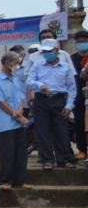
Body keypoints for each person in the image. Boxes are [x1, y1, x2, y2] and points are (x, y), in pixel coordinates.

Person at [27, 38, 77, 169]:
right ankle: (47, 160)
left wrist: (69, 105)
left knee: (61, 131)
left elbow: (72, 88)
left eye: (49, 51)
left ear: (56, 51)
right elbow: (29, 81)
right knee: (43, 131)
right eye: (44, 52)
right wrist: (39, 85)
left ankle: (63, 159)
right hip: (41, 99)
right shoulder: (37, 65)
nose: (47, 54)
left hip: (59, 99)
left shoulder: (65, 68)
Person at [0, 51, 29, 189]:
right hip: (5, 122)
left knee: (21, 152)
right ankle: (6, 181)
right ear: (7, 63)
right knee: (8, 152)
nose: (18, 65)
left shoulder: (15, 78)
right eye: (16, 62)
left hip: (19, 121)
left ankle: (20, 181)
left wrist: (21, 112)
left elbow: (20, 98)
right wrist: (15, 114)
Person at [71, 30, 88, 162]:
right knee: (80, 123)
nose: (82, 43)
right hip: (78, 96)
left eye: (84, 41)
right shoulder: (71, 59)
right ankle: (82, 150)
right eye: (79, 41)